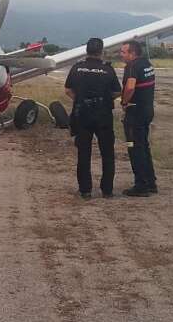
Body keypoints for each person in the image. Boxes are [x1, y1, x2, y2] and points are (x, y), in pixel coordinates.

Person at [65, 37, 121, 200]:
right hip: (103, 115)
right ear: (101, 51)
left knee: (84, 153)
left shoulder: (77, 68)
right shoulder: (108, 70)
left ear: (86, 50)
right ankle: (107, 190)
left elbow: (68, 89)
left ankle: (85, 190)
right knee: (108, 153)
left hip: (82, 114)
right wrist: (104, 98)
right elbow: (117, 91)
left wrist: (80, 99)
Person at [119, 39, 157, 197]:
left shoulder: (132, 66)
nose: (121, 55)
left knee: (135, 148)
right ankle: (151, 182)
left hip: (135, 112)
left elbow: (130, 87)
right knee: (144, 146)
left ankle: (140, 185)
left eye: (123, 52)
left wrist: (124, 102)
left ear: (132, 53)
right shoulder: (146, 63)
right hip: (147, 110)